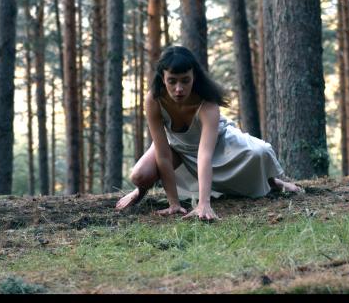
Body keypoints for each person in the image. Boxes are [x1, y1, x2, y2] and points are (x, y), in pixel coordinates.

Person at [115, 45, 303, 221]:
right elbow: (162, 154)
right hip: (176, 148)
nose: (179, 89)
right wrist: (173, 203)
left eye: (185, 81)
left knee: (259, 153)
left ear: (194, 77)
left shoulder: (207, 103)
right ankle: (140, 191)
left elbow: (204, 154)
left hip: (217, 144)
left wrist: (204, 204)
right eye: (172, 81)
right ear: (162, 79)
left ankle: (273, 182)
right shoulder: (154, 99)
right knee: (140, 175)